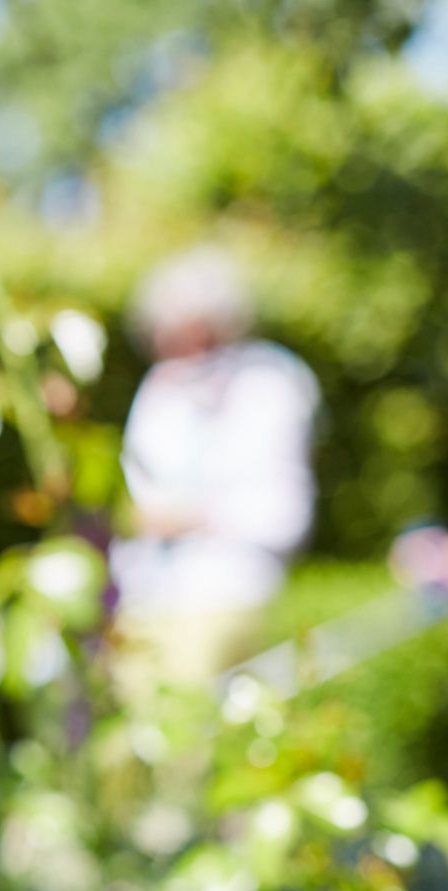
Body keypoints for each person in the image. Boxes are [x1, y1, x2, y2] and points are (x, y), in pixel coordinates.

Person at [112, 248, 320, 685]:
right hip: (145, 592)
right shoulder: (161, 388)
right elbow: (136, 485)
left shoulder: (269, 382)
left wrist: (191, 517)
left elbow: (282, 512)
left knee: (183, 722)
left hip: (227, 587)